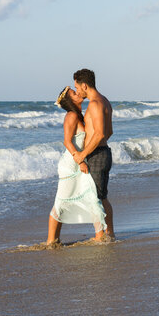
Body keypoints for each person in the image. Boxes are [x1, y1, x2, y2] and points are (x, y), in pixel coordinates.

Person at [46, 86, 107, 245]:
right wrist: (80, 161)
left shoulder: (79, 115)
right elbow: (67, 142)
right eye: (74, 93)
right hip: (71, 165)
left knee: (92, 195)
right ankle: (51, 241)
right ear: (70, 100)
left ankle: (100, 236)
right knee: (61, 202)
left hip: (79, 163)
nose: (78, 92)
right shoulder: (71, 115)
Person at [72, 69, 115, 239]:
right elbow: (109, 132)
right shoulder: (105, 101)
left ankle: (101, 236)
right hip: (102, 153)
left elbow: (100, 134)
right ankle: (109, 233)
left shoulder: (95, 104)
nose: (77, 91)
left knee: (95, 198)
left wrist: (83, 154)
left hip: (97, 155)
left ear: (84, 85)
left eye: (77, 87)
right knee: (101, 196)